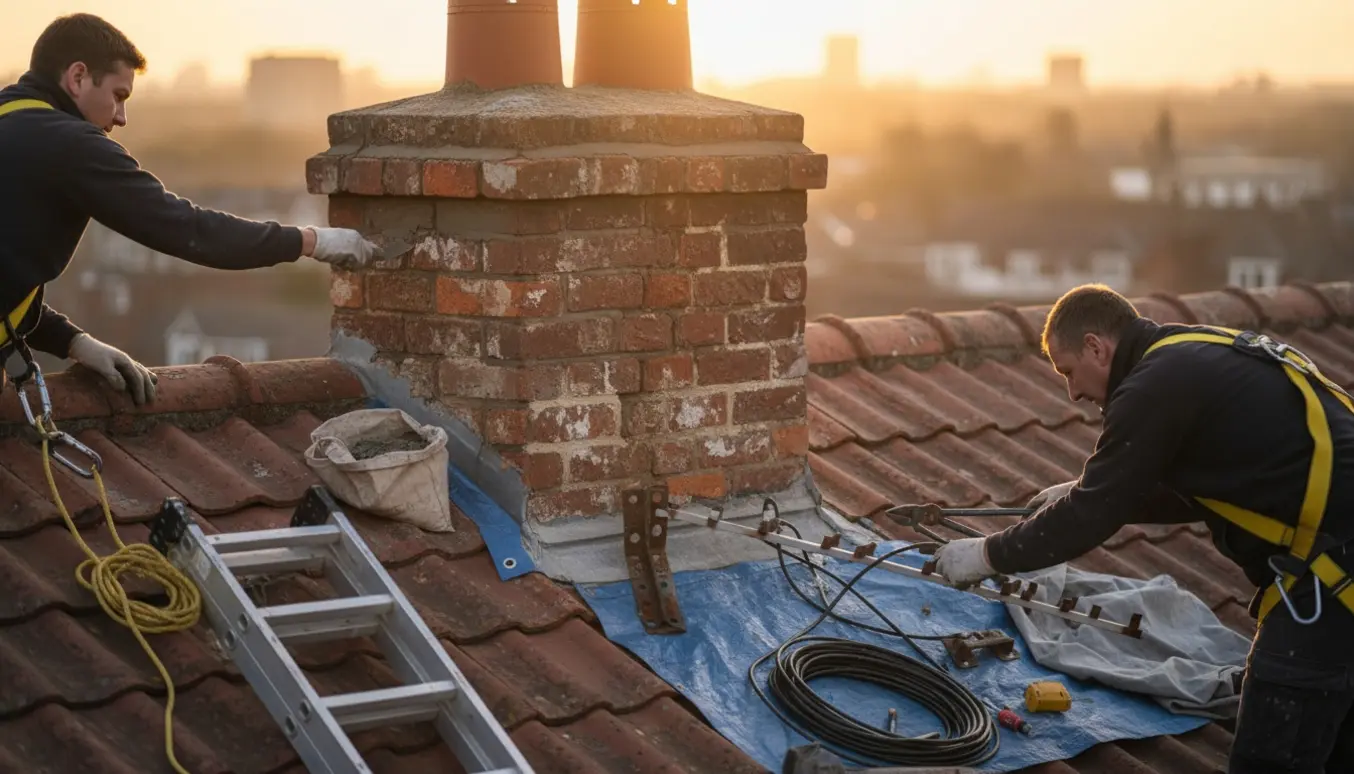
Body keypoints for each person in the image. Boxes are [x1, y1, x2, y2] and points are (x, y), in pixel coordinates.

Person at [932, 283, 1354, 773]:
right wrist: (1090, 492)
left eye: (1069, 371)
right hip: (1336, 569)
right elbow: (1189, 489)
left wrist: (984, 555)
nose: (1073, 393)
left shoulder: (1153, 385)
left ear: (1096, 345)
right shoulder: (1190, 353)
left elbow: (1090, 516)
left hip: (1328, 582)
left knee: (1271, 750)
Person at [0, 13, 379, 405]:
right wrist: (311, 241)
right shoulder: (71, 144)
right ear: (78, 77)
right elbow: (189, 231)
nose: (121, 118)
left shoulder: (12, 122)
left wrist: (73, 341)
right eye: (118, 95)